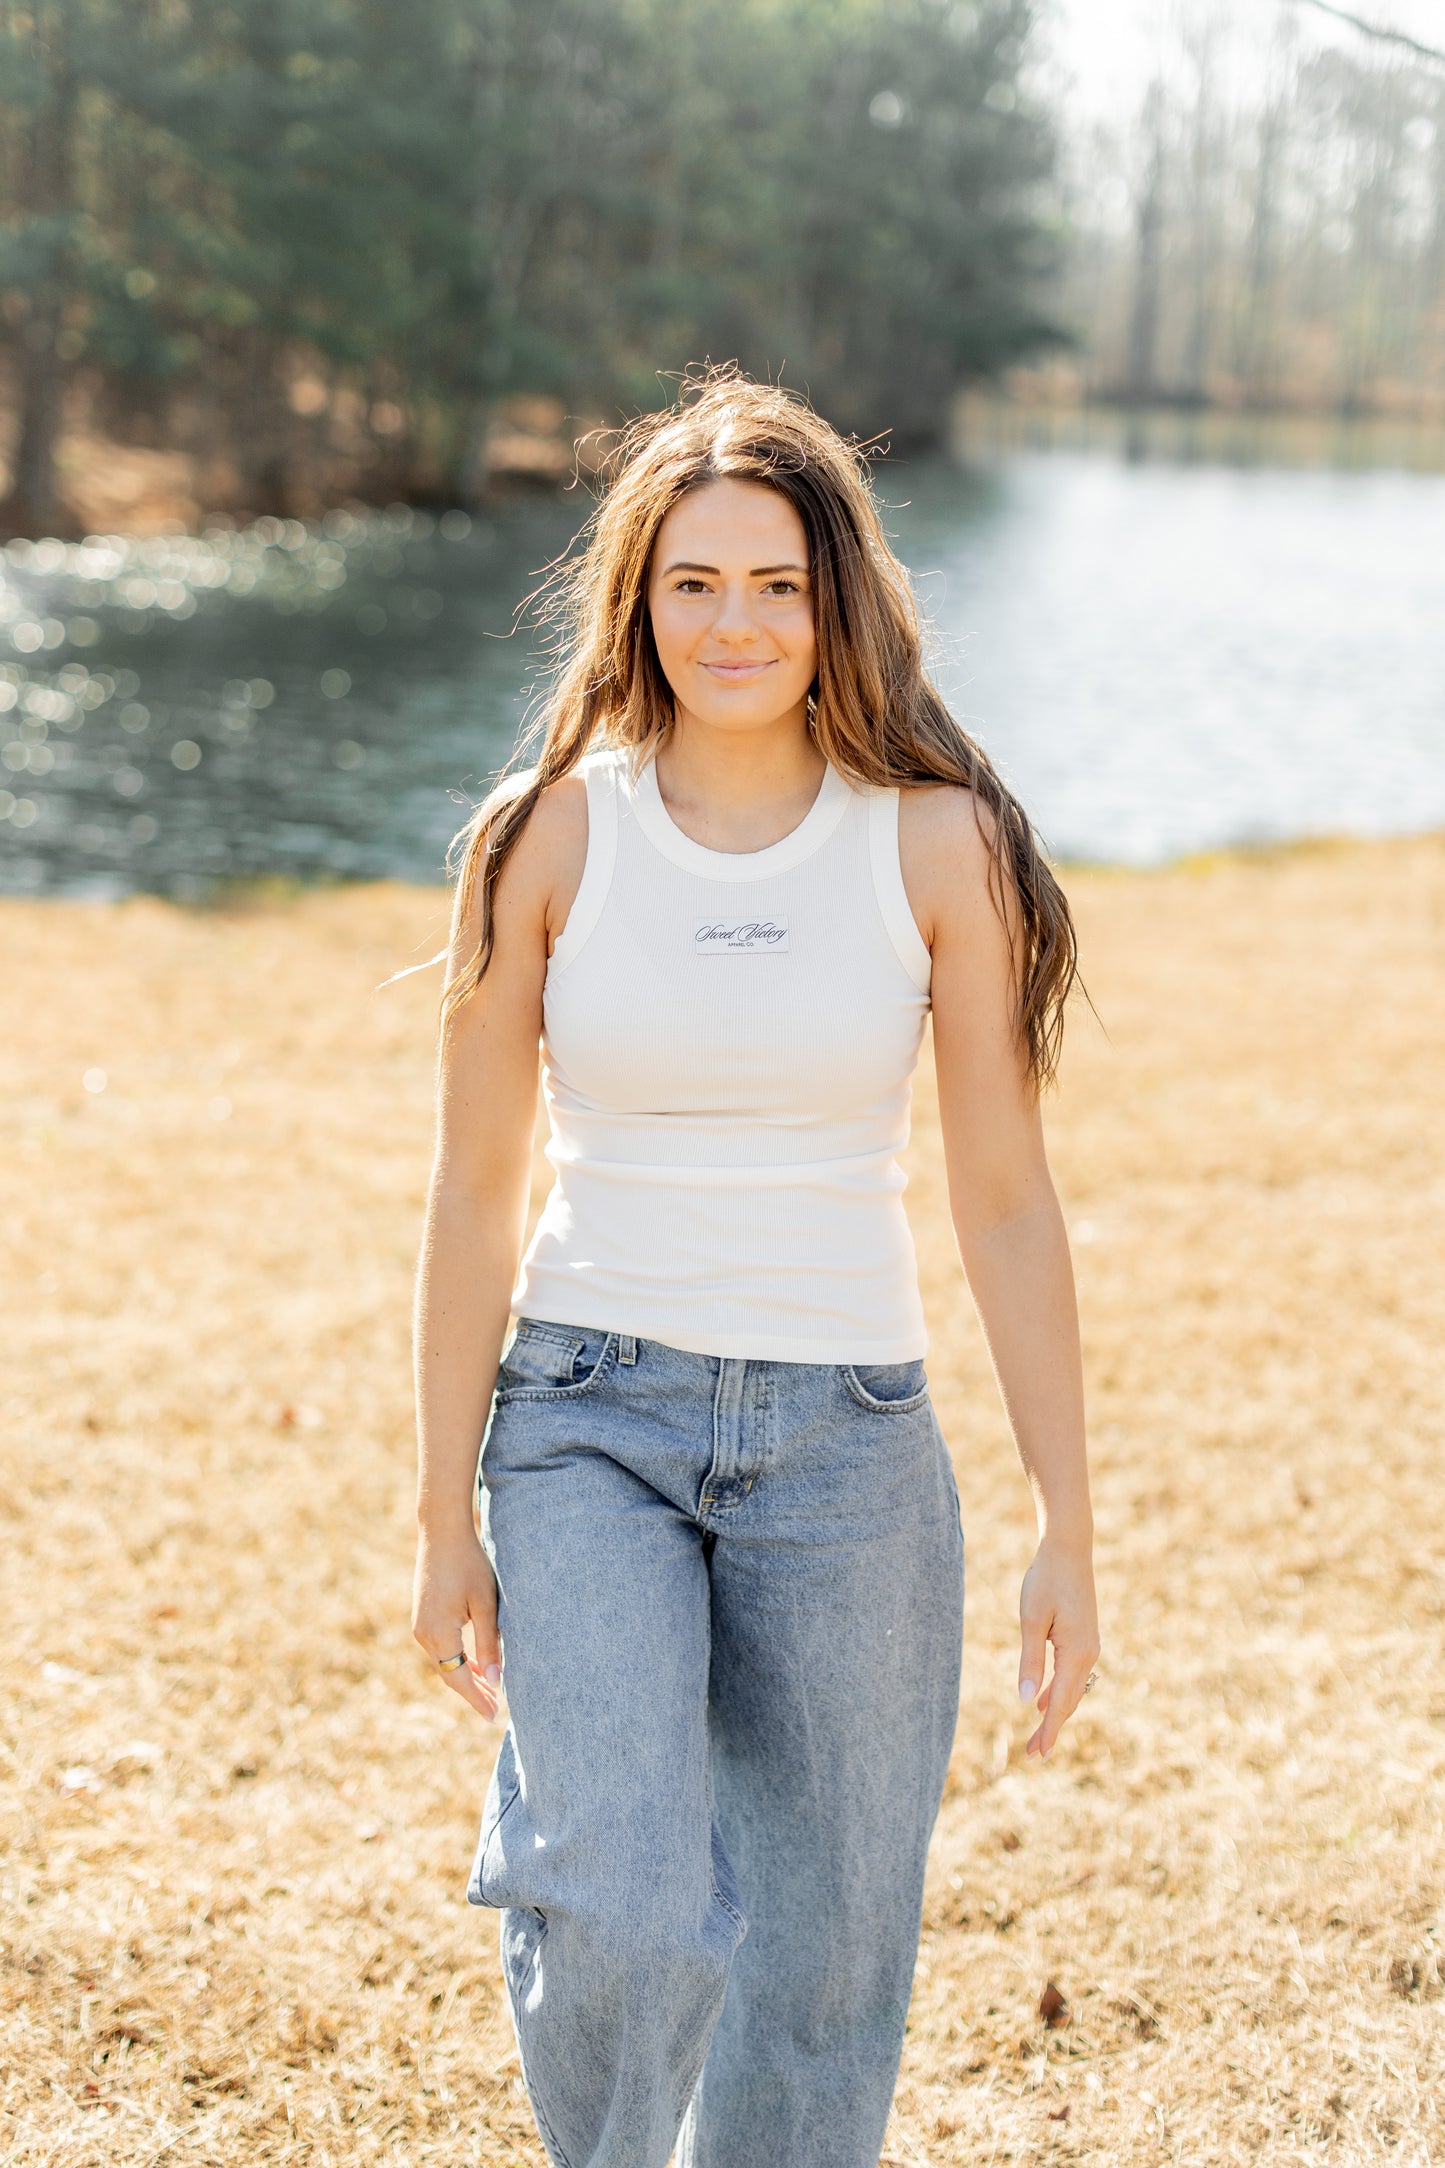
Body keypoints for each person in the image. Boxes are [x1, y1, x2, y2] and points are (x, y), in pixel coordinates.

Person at [411, 369, 1100, 2168]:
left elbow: (1006, 1202)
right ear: (637, 597)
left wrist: (1063, 1525)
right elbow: (473, 1196)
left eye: (775, 585)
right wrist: (437, 1516)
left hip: (847, 1441)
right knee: (626, 1911)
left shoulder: (936, 842)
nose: (734, 624)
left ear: (835, 602)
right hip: (583, 1422)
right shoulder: (548, 831)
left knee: (824, 1964)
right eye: (694, 582)